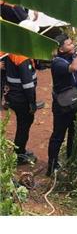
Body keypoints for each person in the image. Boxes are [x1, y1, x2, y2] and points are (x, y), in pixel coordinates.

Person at [46, 36, 77, 174]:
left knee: (73, 133)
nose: (72, 45)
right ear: (60, 48)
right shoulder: (57, 62)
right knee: (58, 135)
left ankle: (70, 160)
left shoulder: (73, 55)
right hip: (62, 105)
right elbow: (74, 68)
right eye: (69, 44)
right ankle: (51, 166)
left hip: (74, 101)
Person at [2, 21, 41, 165]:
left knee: (22, 123)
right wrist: (32, 102)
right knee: (24, 124)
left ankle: (19, 151)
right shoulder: (23, 57)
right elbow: (28, 84)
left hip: (12, 94)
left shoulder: (11, 48)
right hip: (21, 97)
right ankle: (20, 154)